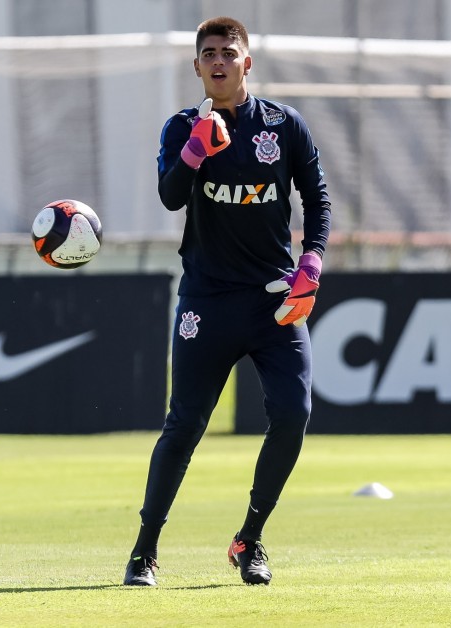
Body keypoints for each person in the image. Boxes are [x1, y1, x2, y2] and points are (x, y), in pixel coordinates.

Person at [123, 16, 332, 587]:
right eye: (208, 53)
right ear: (196, 67)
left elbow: (317, 198)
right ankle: (144, 549)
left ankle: (250, 539)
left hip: (272, 301)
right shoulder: (182, 127)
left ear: (247, 63)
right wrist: (193, 153)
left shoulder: (284, 126)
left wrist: (311, 260)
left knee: (294, 414)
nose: (219, 60)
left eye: (228, 52)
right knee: (185, 425)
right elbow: (169, 199)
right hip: (207, 301)